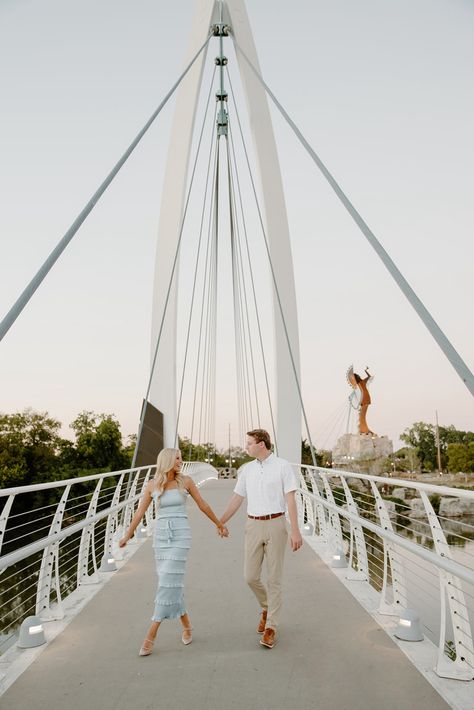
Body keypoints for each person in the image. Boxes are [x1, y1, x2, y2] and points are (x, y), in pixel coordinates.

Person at [119, 448, 228, 656]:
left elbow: (202, 504)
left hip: (180, 537)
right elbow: (140, 512)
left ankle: (151, 634)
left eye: (181, 457)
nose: (181, 461)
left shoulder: (185, 481)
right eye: (177, 458)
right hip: (161, 538)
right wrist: (127, 536)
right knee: (171, 584)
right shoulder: (152, 485)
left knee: (166, 582)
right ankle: (187, 626)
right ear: (168, 460)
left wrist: (219, 524)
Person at [219, 429, 302, 649]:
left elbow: (290, 500)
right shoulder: (246, 470)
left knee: (274, 578)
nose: (246, 447)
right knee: (250, 576)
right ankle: (267, 607)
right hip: (253, 524)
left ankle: (271, 627)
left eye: (249, 443)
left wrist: (295, 531)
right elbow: (237, 498)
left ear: (262, 444)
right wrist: (221, 521)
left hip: (276, 524)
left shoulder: (283, 466)